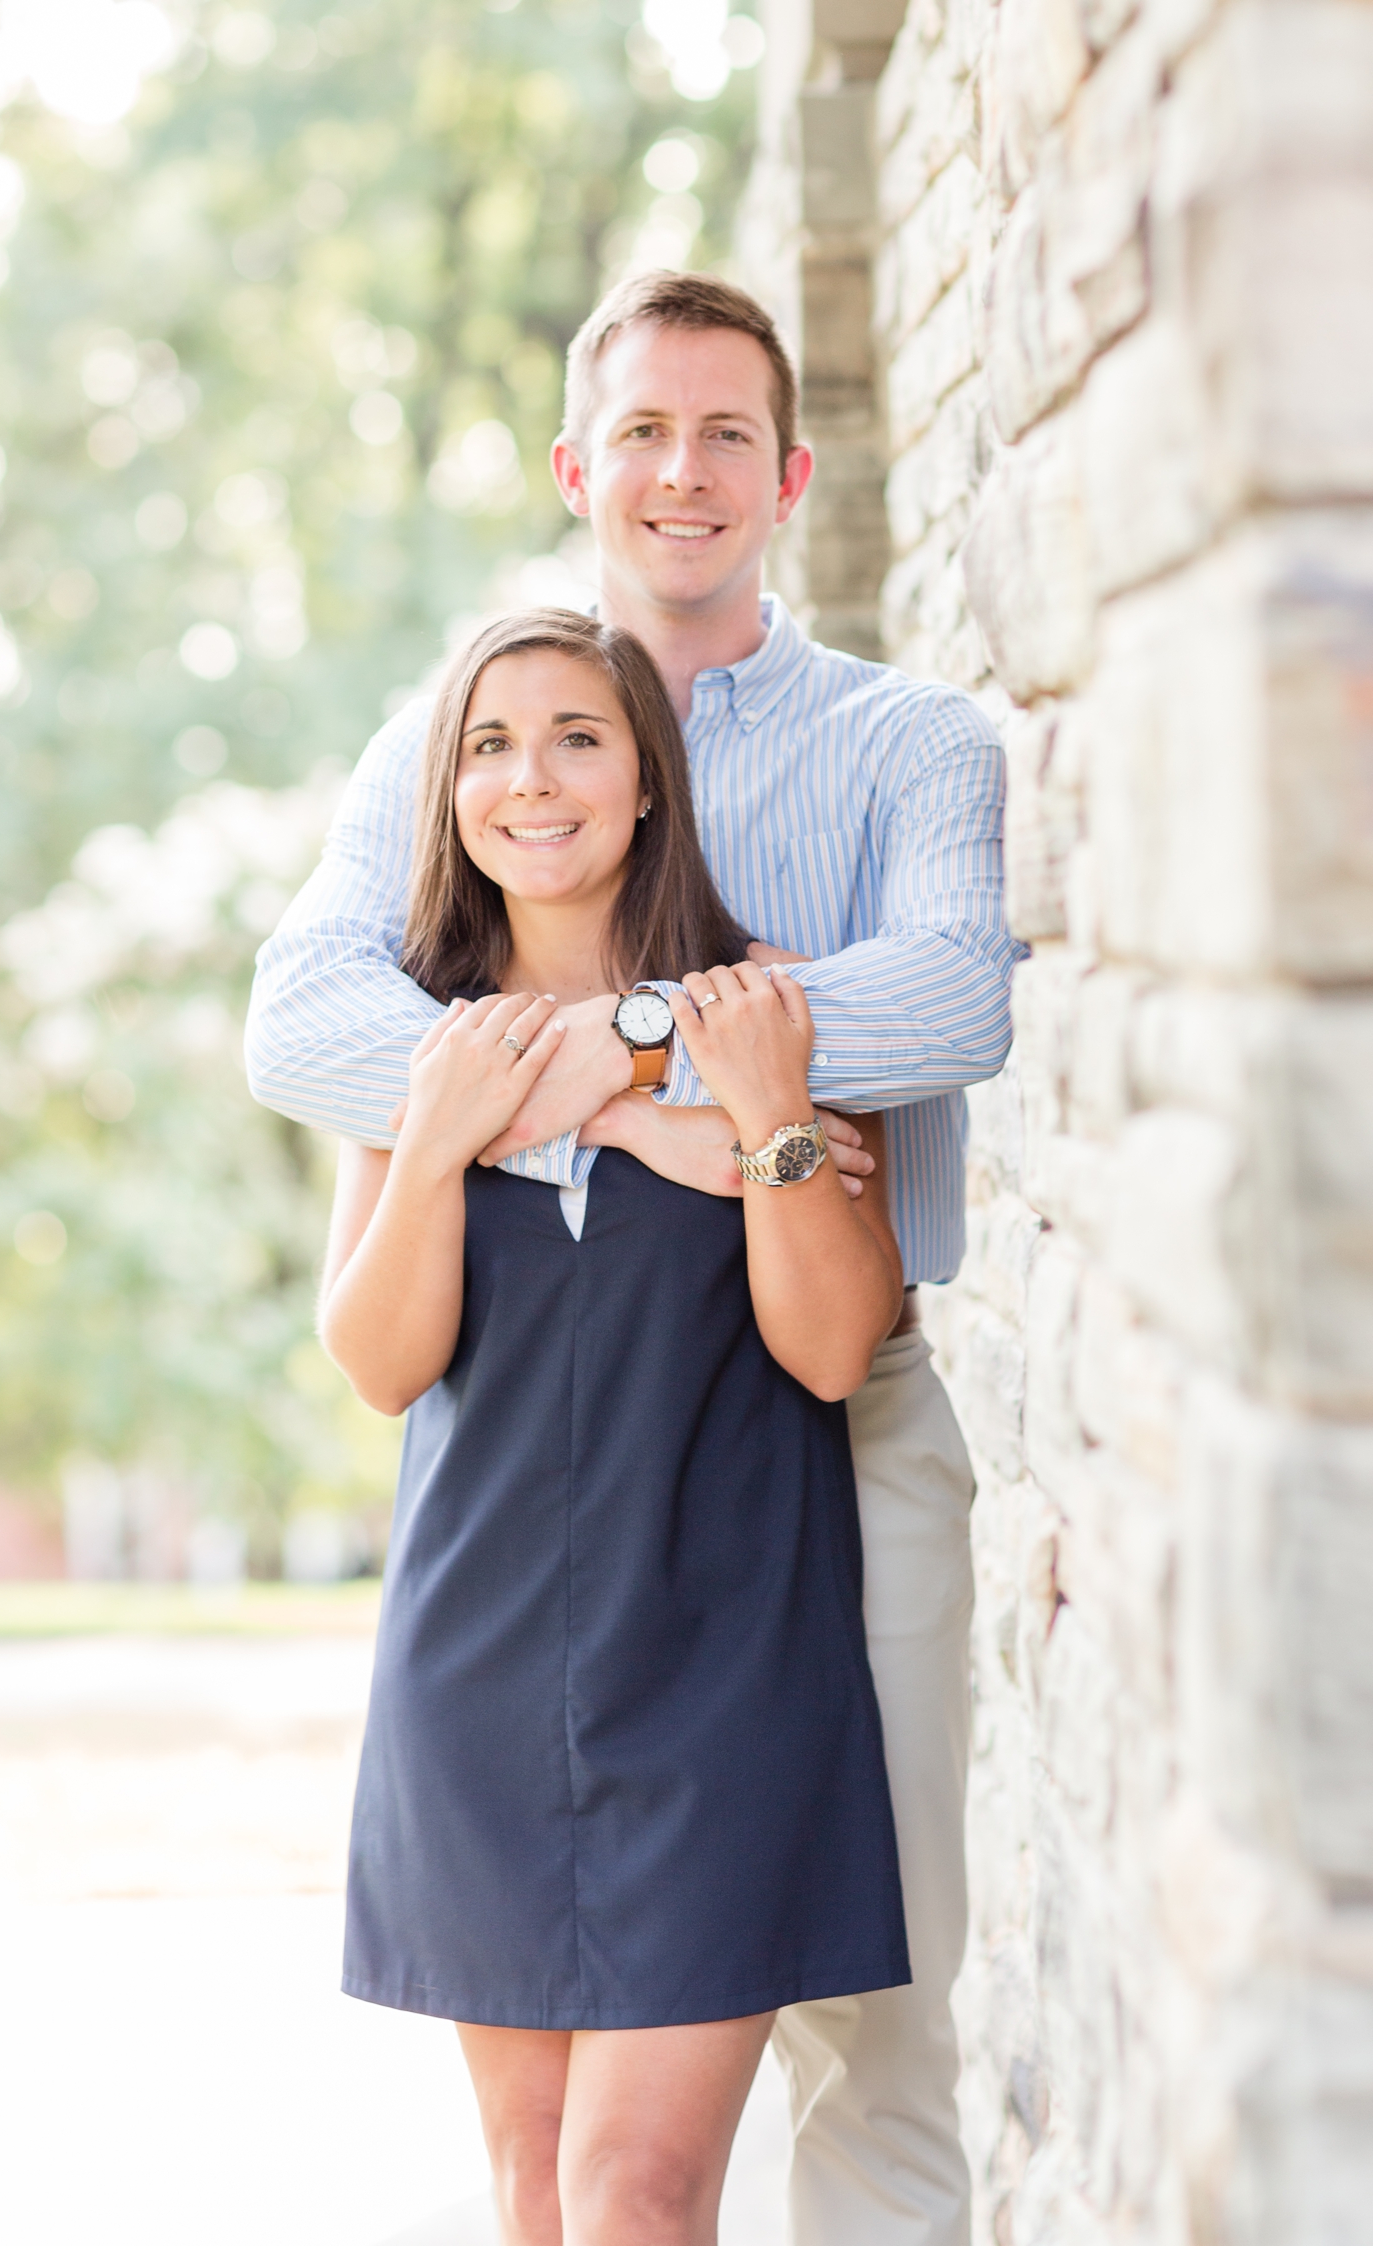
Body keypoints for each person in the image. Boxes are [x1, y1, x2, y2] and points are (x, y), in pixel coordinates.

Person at [248, 271, 1026, 2246]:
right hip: (515, 1536)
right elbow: (305, 1033)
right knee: (567, 2168)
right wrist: (588, 1090)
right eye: (645, 435)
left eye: (727, 434)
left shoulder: (904, 739)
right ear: (581, 469)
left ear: (791, 470)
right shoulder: (453, 731)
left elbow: (948, 1002)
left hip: (812, 1438)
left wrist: (646, 1043)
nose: (533, 777)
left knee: (872, 2032)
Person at [320, 608, 910, 2246]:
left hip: (725, 1665)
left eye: (580, 734)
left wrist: (767, 1120)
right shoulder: (411, 1041)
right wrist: (447, 1143)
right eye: (491, 745)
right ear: (448, 797)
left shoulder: (766, 1008)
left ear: (649, 780)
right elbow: (380, 1359)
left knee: (638, 2192)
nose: (534, 778)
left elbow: (834, 1344)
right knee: (535, 2190)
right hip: (480, 1667)